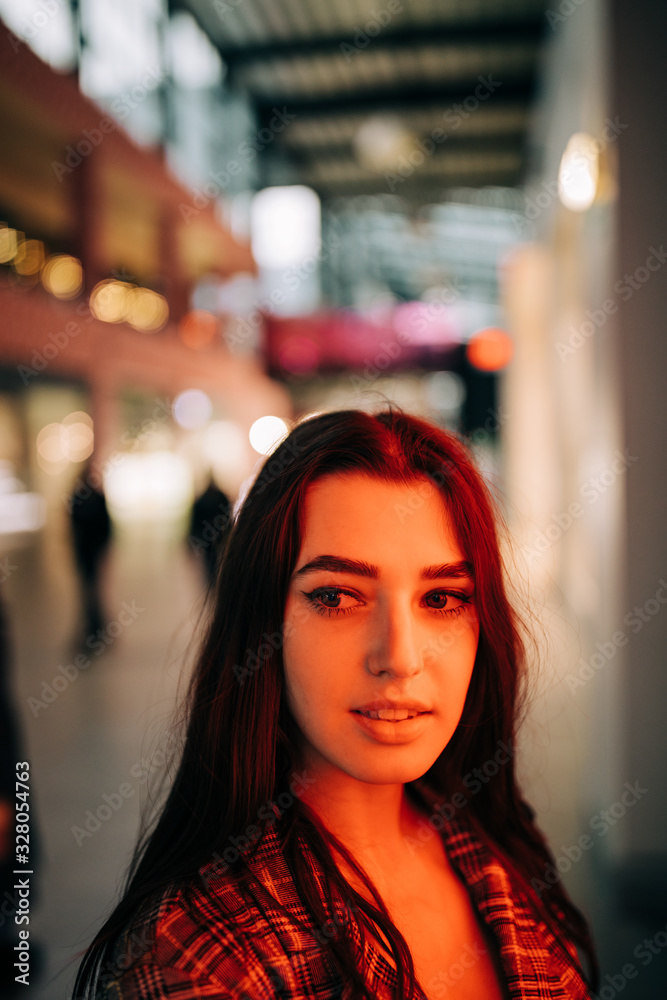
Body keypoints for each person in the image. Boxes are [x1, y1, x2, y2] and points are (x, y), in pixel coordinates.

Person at [74, 407, 597, 999]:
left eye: (443, 598)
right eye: (336, 596)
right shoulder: (205, 964)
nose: (399, 658)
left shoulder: (492, 842)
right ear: (264, 620)